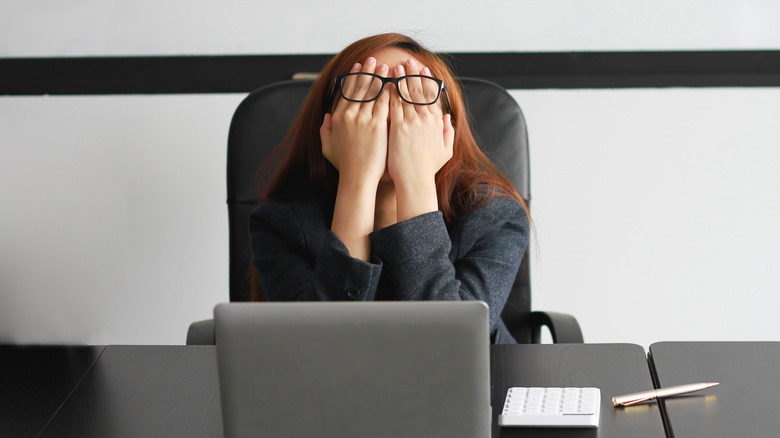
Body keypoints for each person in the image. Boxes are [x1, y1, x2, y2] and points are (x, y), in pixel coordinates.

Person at [249, 33, 529, 344]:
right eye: (365, 93)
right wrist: (356, 177)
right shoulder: (280, 223)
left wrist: (416, 179)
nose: (390, 114)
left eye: (416, 94)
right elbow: (323, 349)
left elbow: (452, 345)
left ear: (446, 127)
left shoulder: (494, 215)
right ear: (330, 124)